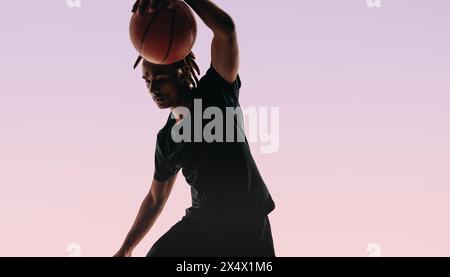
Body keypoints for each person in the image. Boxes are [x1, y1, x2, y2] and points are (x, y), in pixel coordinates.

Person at [114, 0, 275, 257]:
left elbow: (226, 30)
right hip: (203, 226)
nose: (153, 89)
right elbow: (155, 199)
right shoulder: (167, 140)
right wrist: (126, 248)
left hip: (247, 224)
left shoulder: (216, 90)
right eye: (147, 81)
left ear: (181, 71)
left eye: (160, 79)